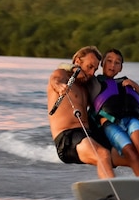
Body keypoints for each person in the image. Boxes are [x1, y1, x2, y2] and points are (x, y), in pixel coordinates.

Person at [89, 48, 139, 179]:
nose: (112, 65)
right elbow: (77, 75)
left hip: (131, 120)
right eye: (109, 61)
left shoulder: (126, 82)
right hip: (110, 124)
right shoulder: (93, 82)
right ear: (102, 63)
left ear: (120, 68)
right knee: (132, 154)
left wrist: (137, 87)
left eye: (117, 63)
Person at [48, 46, 119, 179]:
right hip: (67, 138)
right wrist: (60, 86)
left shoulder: (86, 86)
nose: (92, 72)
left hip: (88, 134)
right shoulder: (63, 74)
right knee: (102, 155)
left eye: (95, 69)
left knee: (126, 153)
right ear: (78, 61)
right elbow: (55, 79)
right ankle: (111, 196)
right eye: (89, 66)